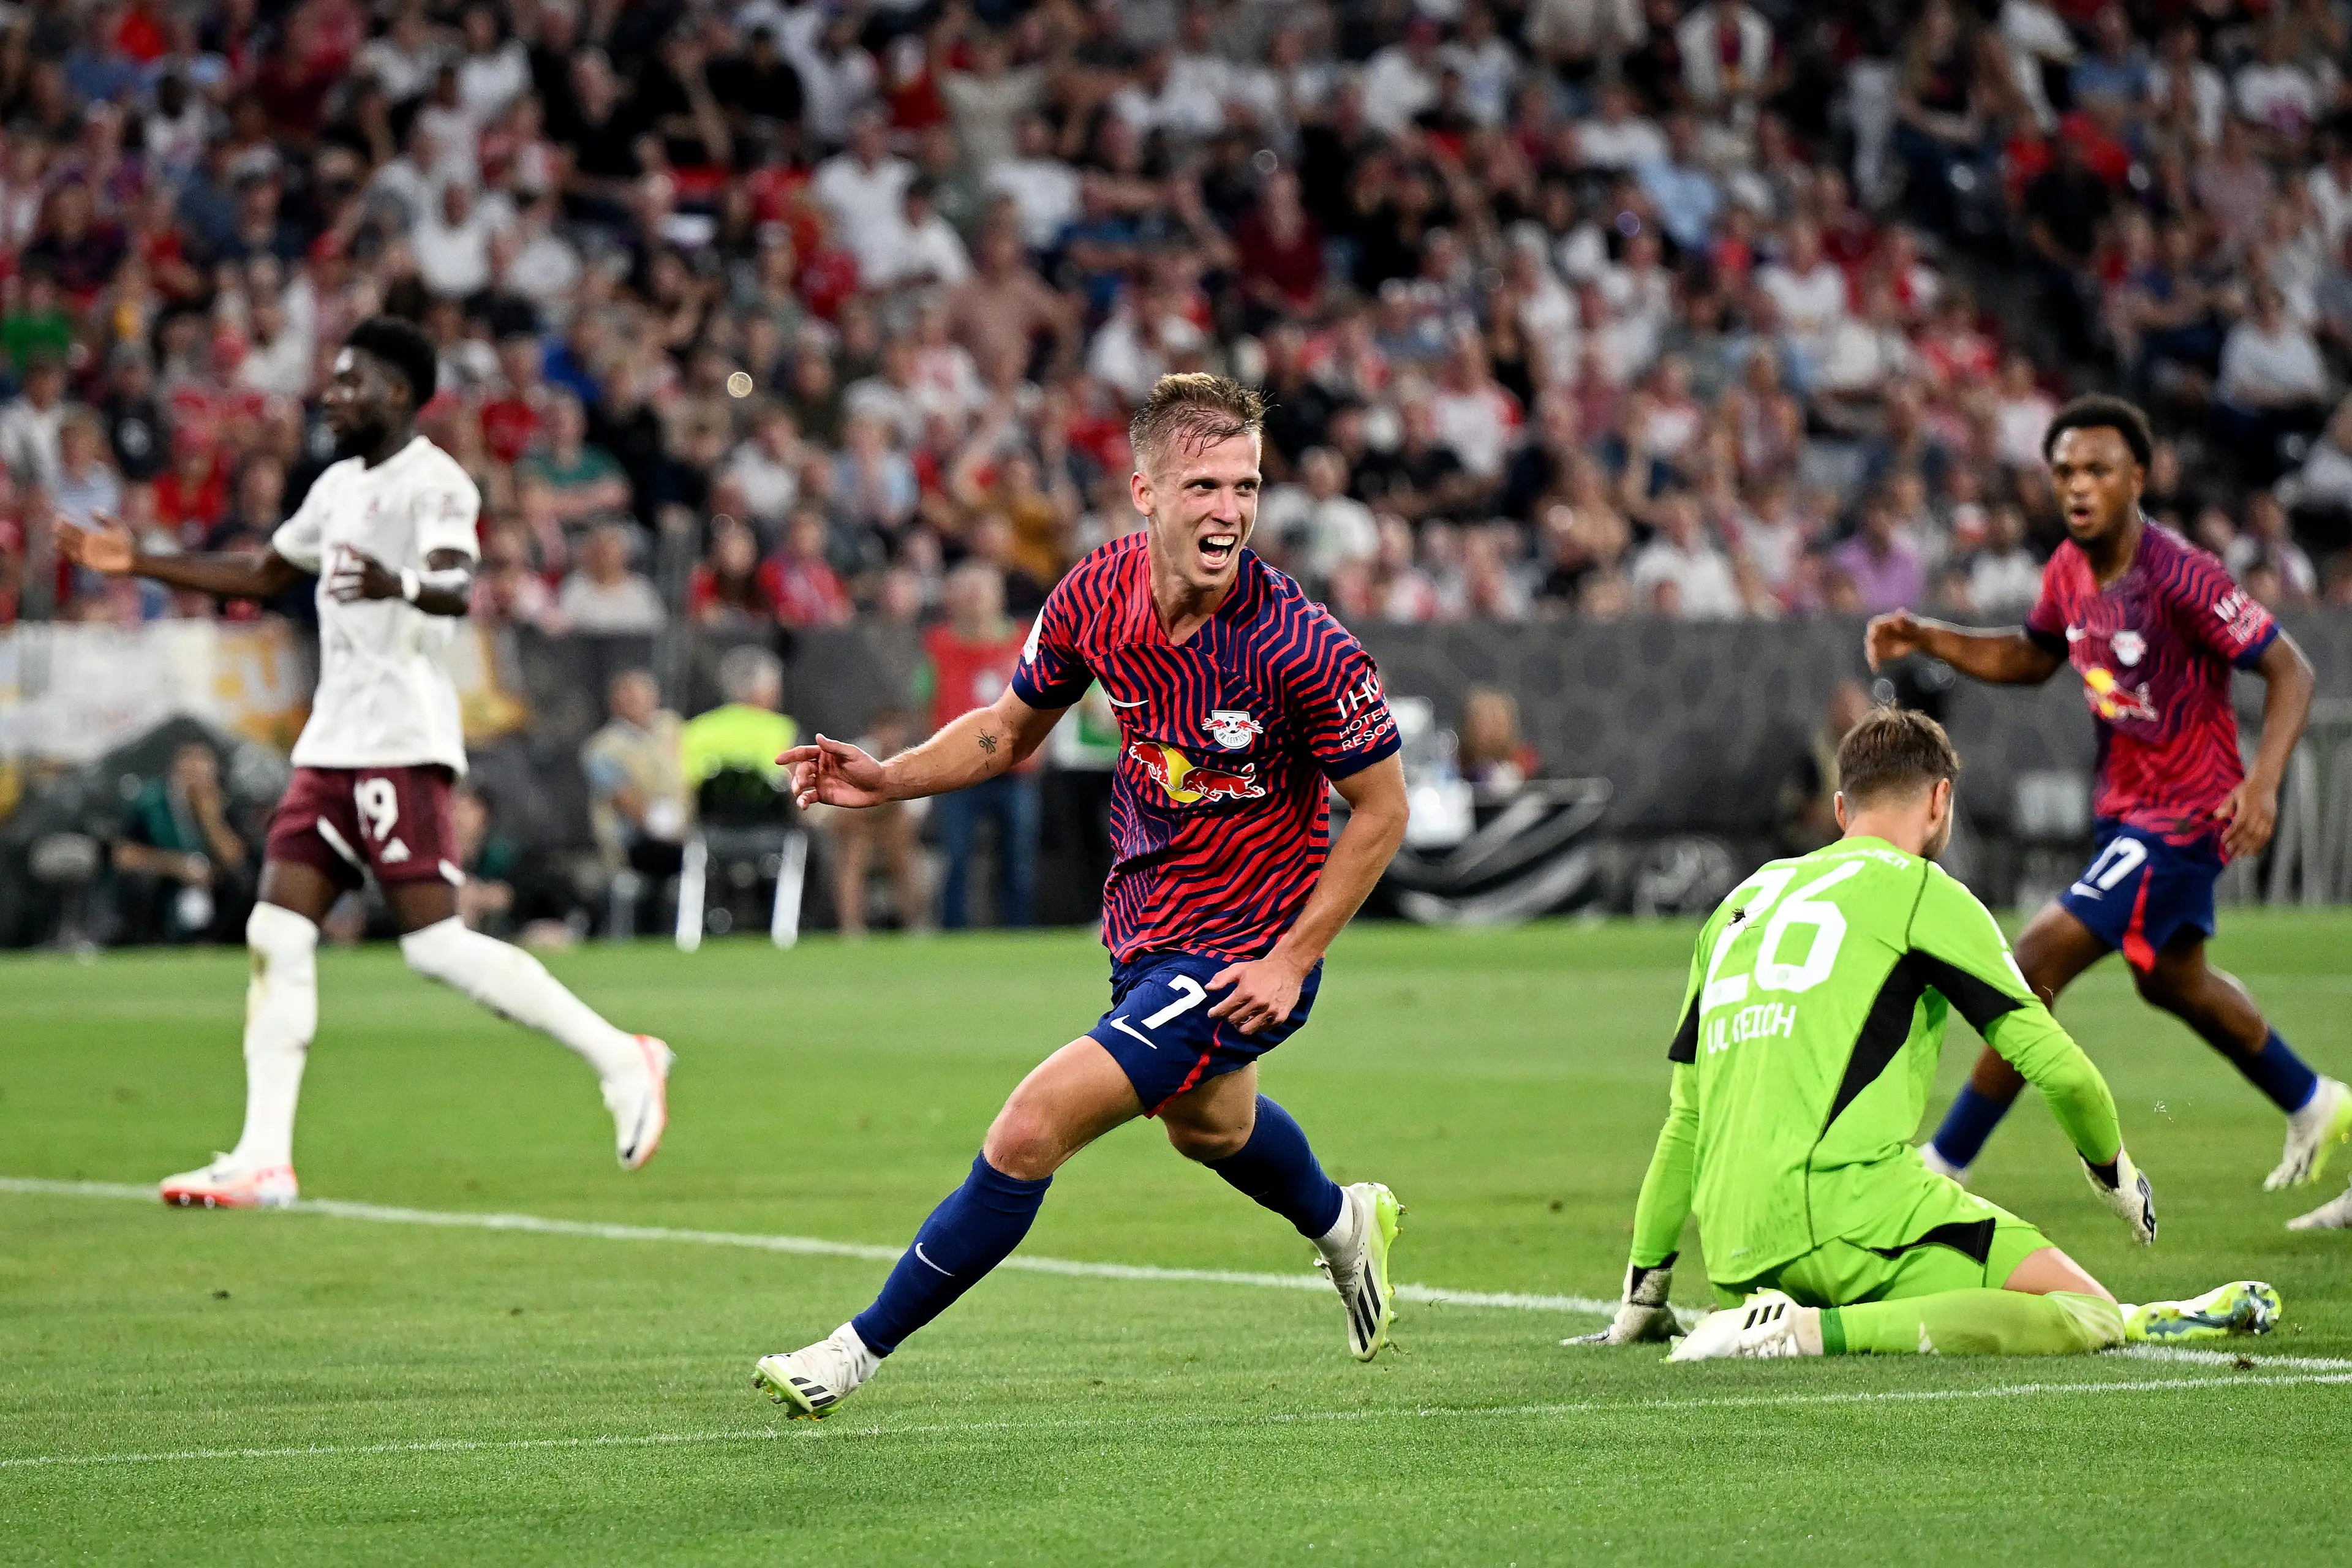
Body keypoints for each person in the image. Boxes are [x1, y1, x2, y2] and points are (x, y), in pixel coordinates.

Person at [756, 374, 1411, 1419]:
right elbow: (1006, 733)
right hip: (1148, 927)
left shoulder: (1302, 644)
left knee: (1030, 1127)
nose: (1229, 511)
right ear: (1144, 491)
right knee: (1207, 1126)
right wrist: (887, 777)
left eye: (1245, 486)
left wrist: (1289, 962)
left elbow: (1380, 811)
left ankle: (850, 1353)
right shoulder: (1094, 594)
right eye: (1204, 486)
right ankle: (1343, 1225)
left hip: (1247, 946)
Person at [58, 316, 671, 1208]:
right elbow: (268, 575)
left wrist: (401, 584)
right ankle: (264, 1157)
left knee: (433, 945)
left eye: (349, 383)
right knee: (275, 933)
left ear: (396, 393)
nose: (332, 398)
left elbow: (459, 585)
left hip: (398, 742)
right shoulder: (337, 486)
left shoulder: (436, 485)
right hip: (331, 745)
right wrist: (141, 561)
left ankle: (622, 1056)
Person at [1577, 706, 2279, 1362]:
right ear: (1941, 801)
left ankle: (1775, 1312)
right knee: (2081, 1310)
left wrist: (1645, 1292)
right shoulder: (1924, 890)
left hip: (1739, 1250)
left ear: (1842, 809)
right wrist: (2115, 1176)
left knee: (2027, 1295)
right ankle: (1810, 1328)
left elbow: (1686, 1122)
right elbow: (2059, 1070)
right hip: (1856, 1217)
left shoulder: (1739, 901)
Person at [1863, 396, 2338, 1219]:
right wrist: (1933, 637)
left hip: (2186, 813)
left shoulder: (2180, 574)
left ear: (2139, 479)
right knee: (2173, 982)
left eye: (2098, 470)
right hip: (2128, 813)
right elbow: (2029, 654)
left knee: (2034, 960)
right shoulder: (2069, 571)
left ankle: (1946, 1163)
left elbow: (2290, 668)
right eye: (2065, 472)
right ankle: (2316, 1103)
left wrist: (2260, 785)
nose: (2078, 487)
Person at [919, 562, 1040, 929]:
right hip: (959, 770)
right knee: (955, 855)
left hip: (1014, 769)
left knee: (1018, 858)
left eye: (981, 591)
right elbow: (924, 699)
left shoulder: (1025, 640)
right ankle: (953, 931)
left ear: (998, 596)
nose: (975, 600)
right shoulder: (938, 645)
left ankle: (1019, 931)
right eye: (967, 592)